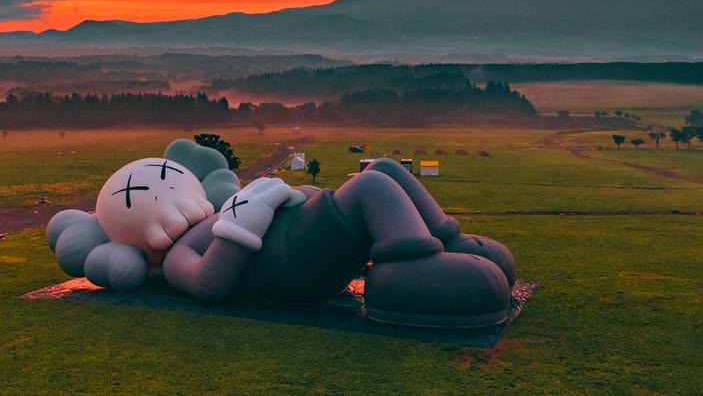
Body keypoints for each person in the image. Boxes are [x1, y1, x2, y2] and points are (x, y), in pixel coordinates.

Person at [47, 140, 515, 328]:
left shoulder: (215, 208)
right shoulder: (172, 259)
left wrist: (297, 195)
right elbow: (210, 286)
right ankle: (415, 270)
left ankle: (447, 241)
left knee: (383, 168)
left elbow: (267, 205)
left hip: (294, 238)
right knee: (371, 185)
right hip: (286, 266)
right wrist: (242, 221)